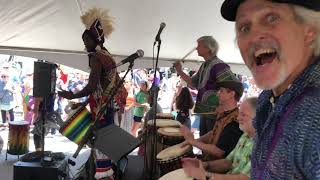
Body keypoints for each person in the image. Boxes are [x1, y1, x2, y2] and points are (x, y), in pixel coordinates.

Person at [220, 0, 320, 178]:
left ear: (309, 30)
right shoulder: (267, 98)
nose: (253, 37)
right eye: (244, 28)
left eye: (271, 18)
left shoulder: (314, 110)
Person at [58, 7, 127, 180]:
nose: (84, 43)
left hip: (104, 106)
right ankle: (107, 173)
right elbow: (99, 87)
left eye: (87, 40)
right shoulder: (105, 54)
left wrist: (72, 95)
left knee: (101, 142)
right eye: (84, 40)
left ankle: (104, 175)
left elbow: (92, 85)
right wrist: (84, 102)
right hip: (110, 105)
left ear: (95, 39)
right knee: (106, 141)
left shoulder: (96, 57)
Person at [182, 97, 257, 180]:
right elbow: (228, 162)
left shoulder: (262, 146)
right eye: (239, 113)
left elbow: (245, 178)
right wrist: (205, 165)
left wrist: (207, 175)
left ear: (258, 118)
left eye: (243, 115)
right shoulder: (245, 136)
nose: (238, 118)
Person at [174, 36, 236, 136]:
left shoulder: (219, 65)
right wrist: (180, 71)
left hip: (215, 113)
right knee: (204, 142)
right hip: (205, 112)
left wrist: (223, 106)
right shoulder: (205, 65)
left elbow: (234, 87)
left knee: (211, 141)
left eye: (199, 46)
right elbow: (193, 83)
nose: (196, 48)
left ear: (208, 48)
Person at [180, 80, 243, 161]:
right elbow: (214, 132)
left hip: (220, 169)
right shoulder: (224, 113)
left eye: (221, 91)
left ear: (232, 94)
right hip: (211, 162)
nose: (217, 94)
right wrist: (194, 141)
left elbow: (219, 151)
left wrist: (193, 142)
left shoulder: (235, 121)